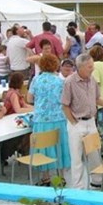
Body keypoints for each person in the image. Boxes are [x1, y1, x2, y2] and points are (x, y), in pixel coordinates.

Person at [62, 53, 103, 189]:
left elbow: (97, 98)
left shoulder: (92, 80)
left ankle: (97, 180)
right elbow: (65, 105)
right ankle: (78, 188)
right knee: (77, 157)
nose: (92, 69)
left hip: (91, 122)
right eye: (90, 67)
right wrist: (74, 123)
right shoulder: (70, 82)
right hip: (77, 122)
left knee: (95, 154)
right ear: (81, 67)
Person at [27, 54, 71, 186]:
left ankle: (45, 177)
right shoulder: (60, 81)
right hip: (58, 118)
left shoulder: (36, 80)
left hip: (41, 119)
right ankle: (61, 176)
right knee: (60, 147)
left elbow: (29, 99)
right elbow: (65, 100)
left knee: (43, 147)